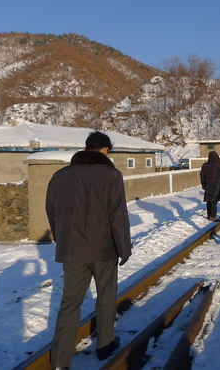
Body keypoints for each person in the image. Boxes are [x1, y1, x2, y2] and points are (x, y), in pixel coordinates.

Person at [45, 131, 131, 369]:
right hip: (104, 248)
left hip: (72, 250)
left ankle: (60, 360)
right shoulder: (111, 175)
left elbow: (52, 213)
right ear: (105, 150)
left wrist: (62, 239)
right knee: (105, 297)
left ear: (85, 149)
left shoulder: (59, 176)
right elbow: (118, 216)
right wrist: (124, 248)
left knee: (69, 303)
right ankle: (105, 346)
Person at [200, 151, 220, 221]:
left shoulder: (204, 165)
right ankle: (212, 216)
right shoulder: (218, 164)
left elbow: (202, 175)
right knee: (214, 201)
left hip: (208, 186)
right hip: (216, 185)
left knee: (209, 201)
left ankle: (209, 215)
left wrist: (203, 184)